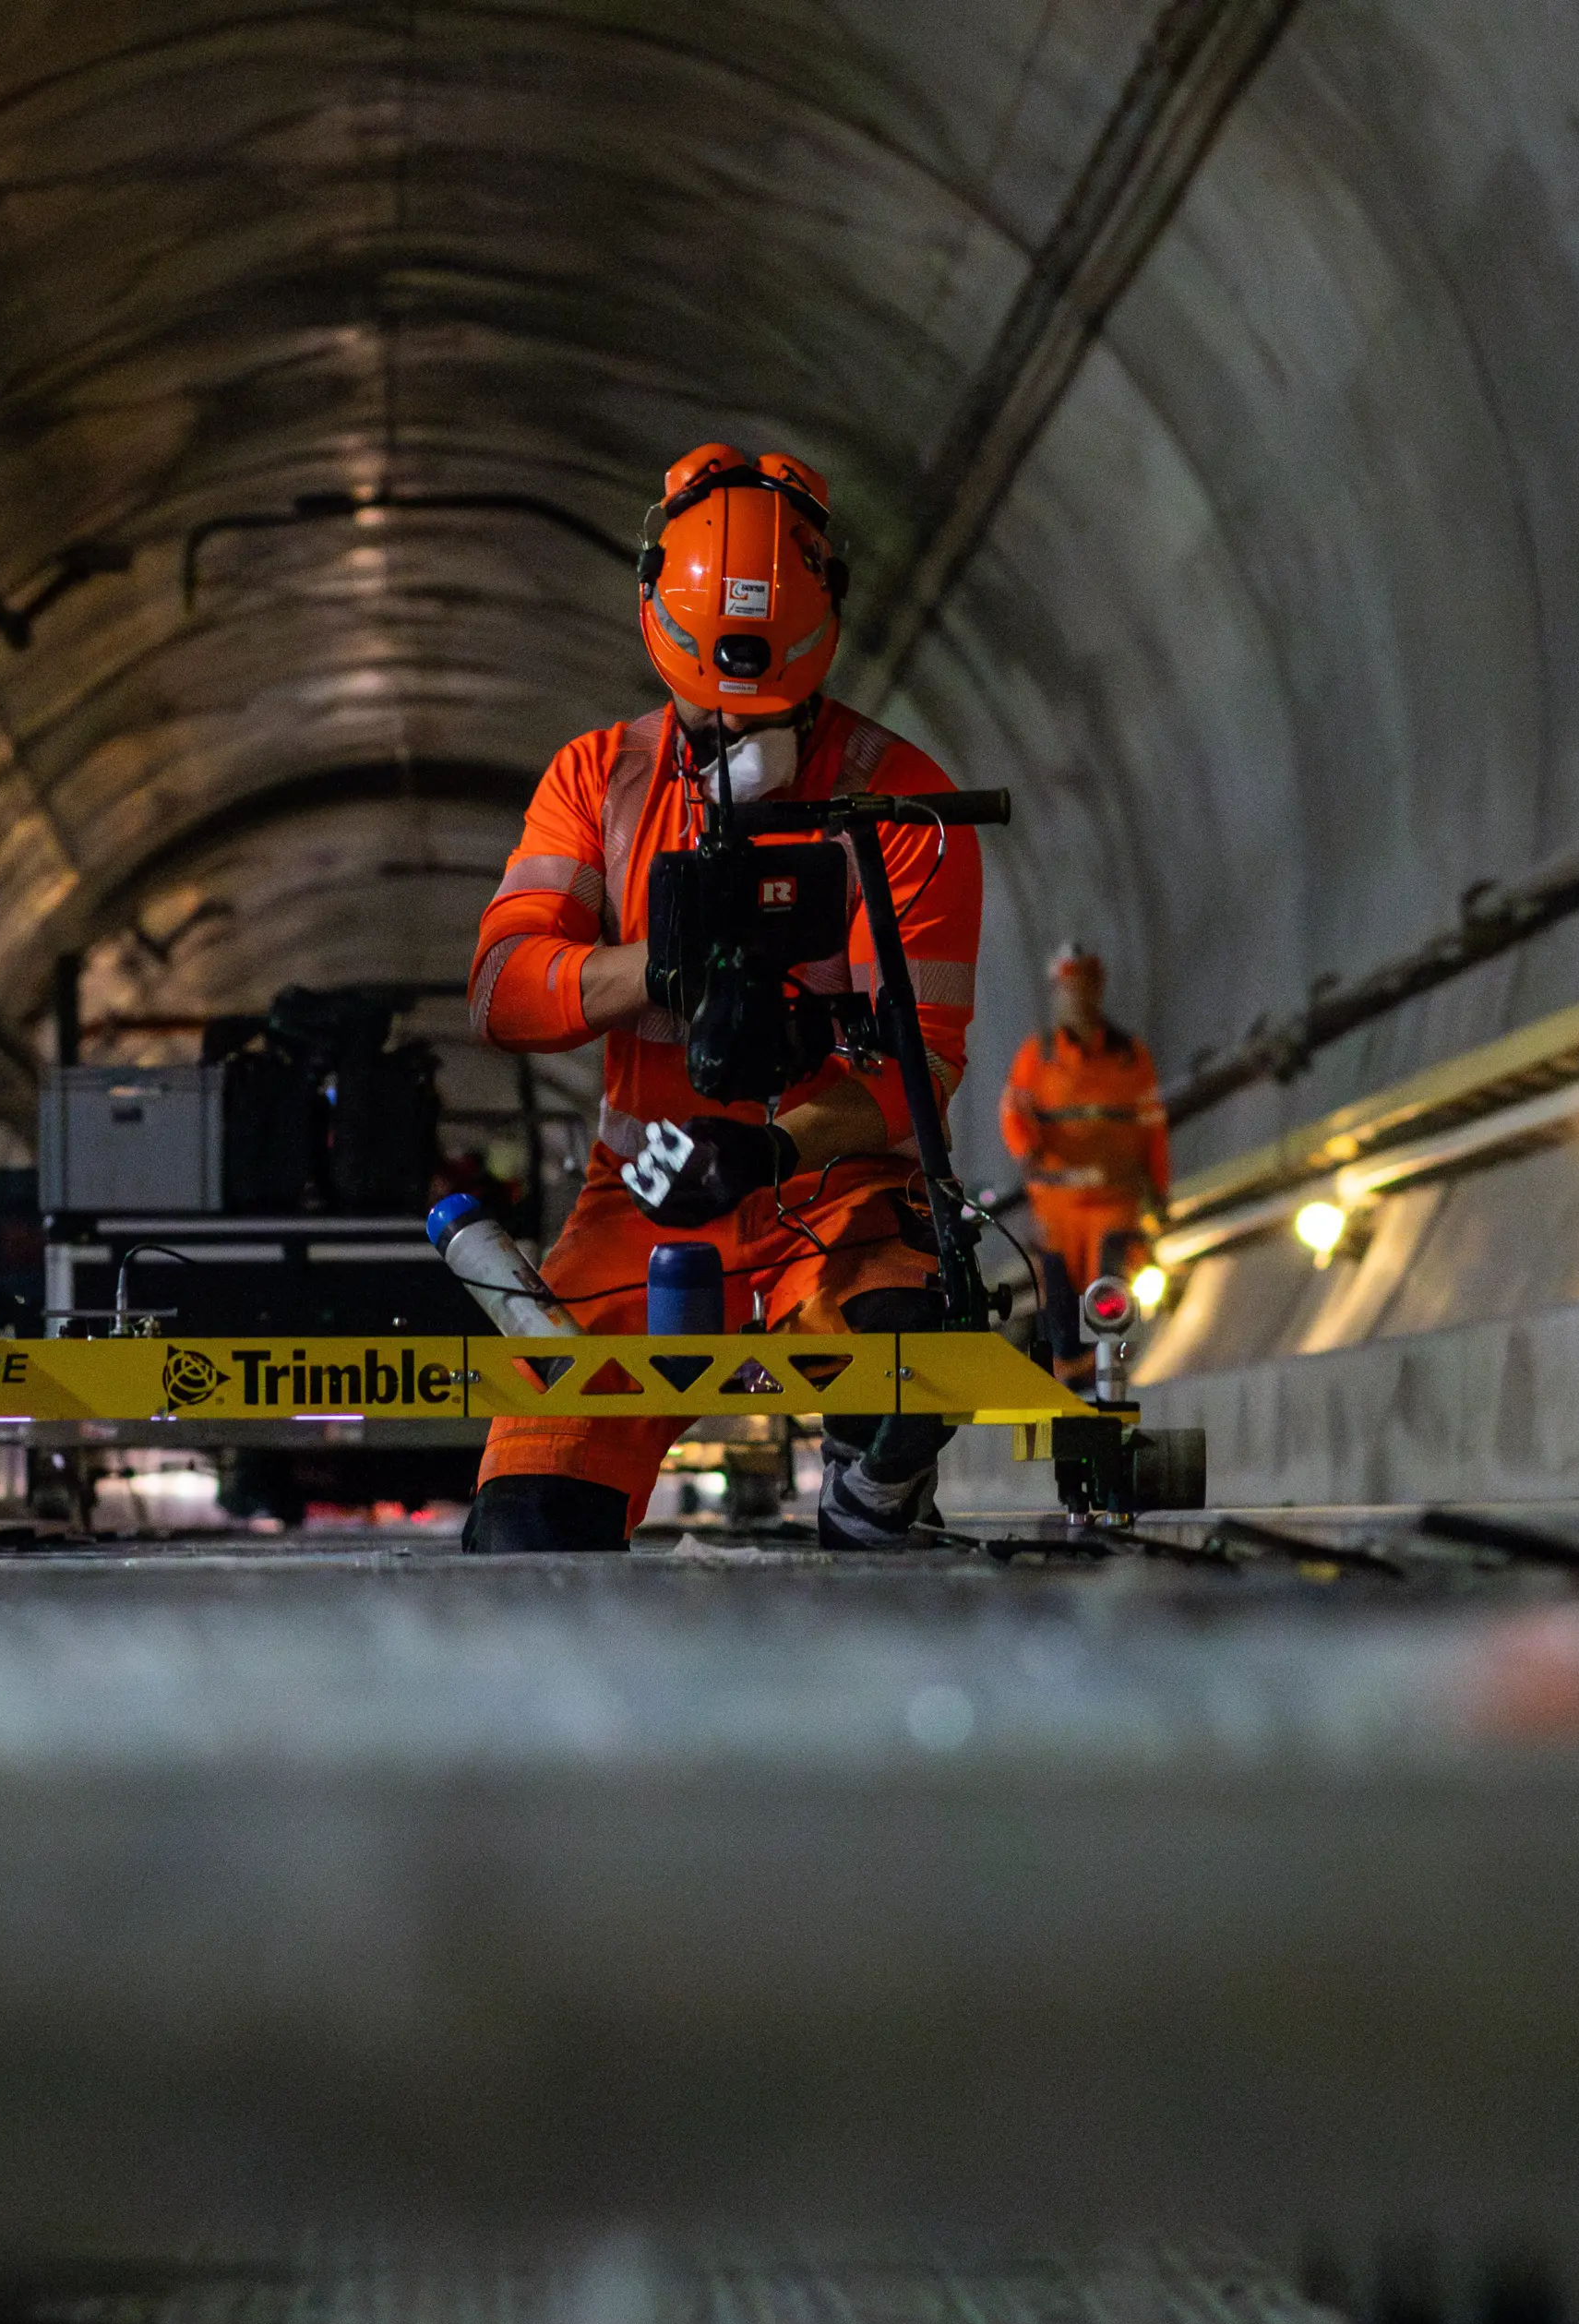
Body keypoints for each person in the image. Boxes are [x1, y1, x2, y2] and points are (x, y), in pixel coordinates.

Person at [461, 442, 983, 1551]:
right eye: (719, 721)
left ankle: (876, 1494)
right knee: (530, 1526)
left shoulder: (904, 804)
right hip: (639, 1205)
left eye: (763, 719)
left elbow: (920, 1062)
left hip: (830, 1193)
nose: (742, 746)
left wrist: (773, 1148)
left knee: (909, 1353)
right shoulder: (596, 782)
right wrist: (652, 969)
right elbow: (506, 989)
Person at [998, 941, 1169, 1361]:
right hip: (1058, 1213)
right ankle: (1073, 1389)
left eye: (1082, 985)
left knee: (1108, 1304)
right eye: (1067, 986)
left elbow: (1153, 1131)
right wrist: (1027, 1148)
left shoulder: (1130, 1058)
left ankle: (1107, 1382)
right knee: (1061, 1313)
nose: (1075, 995)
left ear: (1098, 988)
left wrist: (1160, 1193)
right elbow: (1012, 1113)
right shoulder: (1038, 1056)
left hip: (1114, 1205)